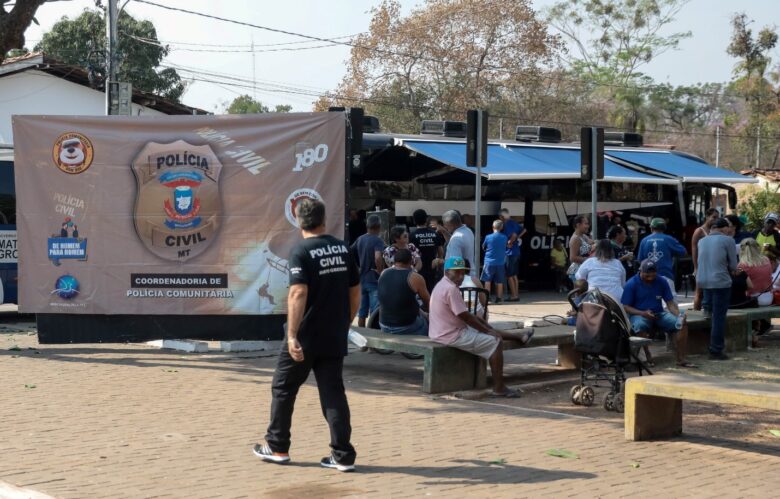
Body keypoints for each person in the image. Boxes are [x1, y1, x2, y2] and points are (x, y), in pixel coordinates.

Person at [255, 198, 360, 472]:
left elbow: (298, 292)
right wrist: (345, 322)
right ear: (324, 219)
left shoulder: (301, 250)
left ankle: (277, 446)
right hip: (333, 335)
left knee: (283, 388)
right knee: (333, 392)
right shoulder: (344, 249)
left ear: (298, 219)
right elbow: (355, 291)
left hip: (305, 337)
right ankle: (343, 454)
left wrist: (291, 335)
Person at [429, 256, 533, 397]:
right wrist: (486, 330)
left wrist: (484, 326)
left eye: (462, 273)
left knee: (484, 326)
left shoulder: (441, 284)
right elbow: (465, 317)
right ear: (447, 272)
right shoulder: (451, 289)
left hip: (441, 331)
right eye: (456, 272)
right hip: (451, 335)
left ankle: (519, 336)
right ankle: (499, 388)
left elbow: (464, 314)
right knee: (495, 342)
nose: (460, 276)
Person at [621, 259, 694, 368]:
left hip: (659, 313)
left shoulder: (661, 281)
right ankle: (647, 354)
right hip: (639, 314)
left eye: (653, 274)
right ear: (641, 271)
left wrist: (679, 315)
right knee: (639, 325)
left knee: (682, 324)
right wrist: (642, 313)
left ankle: (681, 358)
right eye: (647, 275)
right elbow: (626, 307)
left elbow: (670, 303)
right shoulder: (631, 283)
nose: (650, 277)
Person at [696, 217, 738, 360]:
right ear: (723, 228)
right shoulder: (728, 240)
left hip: (703, 280)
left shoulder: (702, 241)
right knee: (719, 317)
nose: (731, 230)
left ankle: (705, 340)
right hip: (720, 281)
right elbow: (733, 266)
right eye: (729, 227)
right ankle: (715, 350)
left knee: (709, 313)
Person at [377, 248, 430, 335]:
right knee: (427, 324)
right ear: (411, 261)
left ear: (394, 260)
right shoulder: (415, 277)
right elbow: (428, 302)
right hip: (406, 326)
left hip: (384, 325)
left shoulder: (384, 273)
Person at [637, 217, 687, 295]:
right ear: (664, 228)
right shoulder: (669, 239)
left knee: (650, 303)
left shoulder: (644, 240)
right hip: (665, 275)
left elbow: (640, 259)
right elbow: (683, 251)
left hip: (648, 277)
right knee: (669, 303)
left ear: (651, 228)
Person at [352, 215, 385, 327]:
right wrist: (380, 271)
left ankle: (362, 336)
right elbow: (378, 257)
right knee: (375, 311)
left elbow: (350, 253)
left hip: (361, 279)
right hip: (374, 279)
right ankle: (373, 335)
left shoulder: (360, 239)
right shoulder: (378, 240)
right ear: (379, 226)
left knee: (362, 312)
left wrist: (357, 267)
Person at [691, 208, 720, 310]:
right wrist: (696, 268)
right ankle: (696, 314)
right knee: (699, 292)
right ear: (707, 217)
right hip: (701, 265)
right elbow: (694, 250)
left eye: (717, 218)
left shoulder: (716, 230)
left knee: (711, 291)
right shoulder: (699, 231)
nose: (716, 220)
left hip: (712, 266)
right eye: (714, 217)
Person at [410, 209, 444, 292]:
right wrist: (438, 262)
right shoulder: (435, 234)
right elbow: (441, 252)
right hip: (432, 270)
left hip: (417, 271)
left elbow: (409, 254)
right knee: (432, 293)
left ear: (414, 221)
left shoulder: (412, 236)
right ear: (426, 220)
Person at [438, 210, 476, 279]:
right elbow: (455, 242)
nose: (444, 226)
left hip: (459, 281)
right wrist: (444, 232)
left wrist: (440, 261)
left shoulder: (456, 239)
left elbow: (456, 264)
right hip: (470, 276)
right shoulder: (468, 231)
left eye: (445, 224)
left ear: (449, 223)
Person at [500, 208, 525, 302]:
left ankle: (513, 295)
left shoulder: (507, 224)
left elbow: (513, 234)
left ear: (502, 216)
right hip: (517, 252)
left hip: (510, 253)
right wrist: (518, 237)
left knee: (509, 275)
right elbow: (524, 230)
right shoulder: (514, 222)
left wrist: (510, 242)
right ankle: (516, 294)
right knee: (514, 275)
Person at [481, 220, 508, 304]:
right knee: (499, 281)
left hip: (489, 262)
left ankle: (488, 298)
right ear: (502, 228)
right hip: (500, 262)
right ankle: (499, 298)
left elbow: (483, 247)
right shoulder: (504, 237)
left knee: (487, 281)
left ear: (493, 227)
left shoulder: (488, 237)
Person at [567, 215, 593, 281]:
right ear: (578, 225)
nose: (588, 226)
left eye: (588, 224)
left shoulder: (583, 236)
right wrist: (590, 260)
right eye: (586, 224)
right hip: (577, 272)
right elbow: (572, 258)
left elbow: (593, 243)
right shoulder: (575, 239)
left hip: (583, 271)